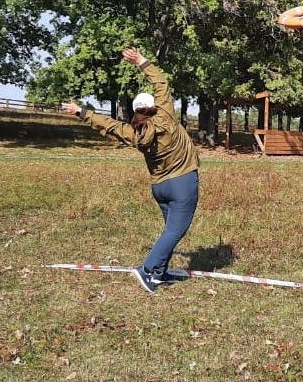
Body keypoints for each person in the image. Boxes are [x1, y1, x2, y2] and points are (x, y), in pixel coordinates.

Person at [63, 47, 200, 293]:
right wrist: (141, 61)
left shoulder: (134, 133)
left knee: (170, 230)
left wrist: (81, 112)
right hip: (182, 184)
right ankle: (147, 270)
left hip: (160, 187)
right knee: (175, 231)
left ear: (137, 112)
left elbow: (110, 125)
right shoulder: (166, 116)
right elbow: (161, 82)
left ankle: (159, 273)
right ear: (154, 106)